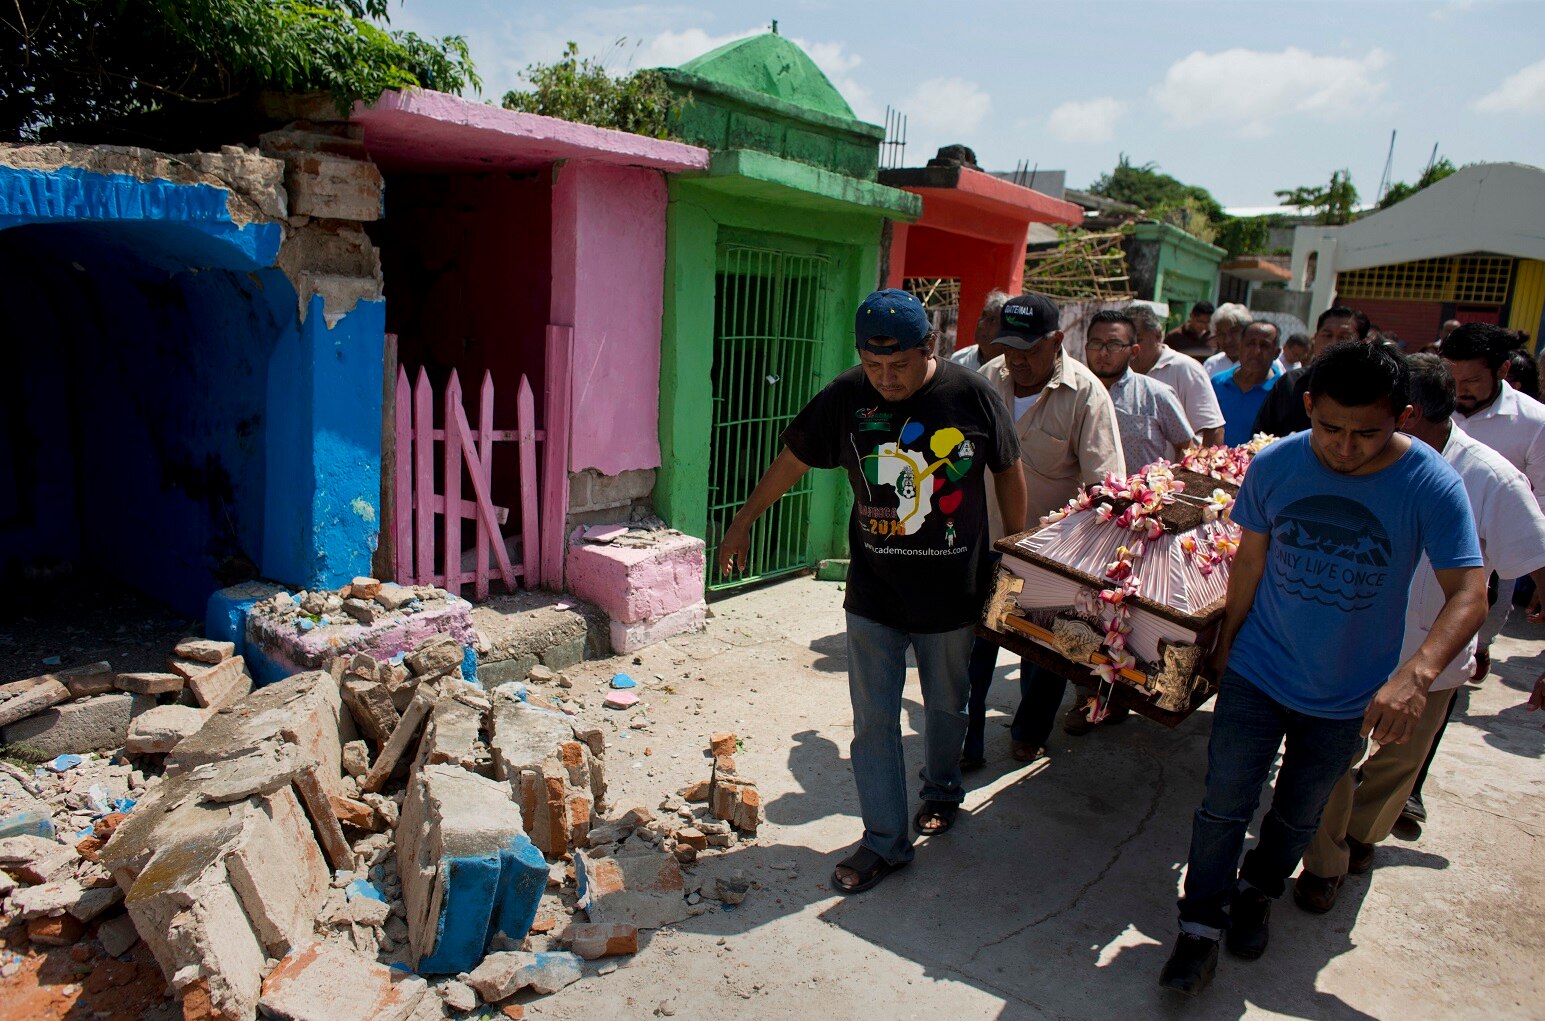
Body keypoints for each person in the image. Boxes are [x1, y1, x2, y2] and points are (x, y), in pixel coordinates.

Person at [1158, 341, 1486, 997]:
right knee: (1223, 803)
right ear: (1307, 406)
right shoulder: (1277, 462)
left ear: (1401, 413)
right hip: (1258, 670)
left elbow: (1470, 591)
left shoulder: (1429, 483)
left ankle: (1256, 889)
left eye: (1366, 432)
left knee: (1299, 815)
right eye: (1328, 427)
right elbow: (1248, 560)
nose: (1343, 447)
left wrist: (1416, 672)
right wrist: (1227, 645)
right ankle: (1197, 927)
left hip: (1345, 693)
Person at [717, 288, 1028, 895]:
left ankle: (941, 789)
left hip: (952, 595)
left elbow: (1008, 469)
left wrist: (1016, 550)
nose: (885, 379)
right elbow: (793, 459)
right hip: (875, 596)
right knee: (874, 722)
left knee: (945, 710)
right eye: (873, 365)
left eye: (899, 365)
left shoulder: (971, 394)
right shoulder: (846, 394)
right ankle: (885, 841)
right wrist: (742, 520)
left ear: (928, 347)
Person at [1294, 354, 1545, 911]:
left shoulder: (1490, 478)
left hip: (1430, 658)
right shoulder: (1340, 458)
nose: (1355, 443)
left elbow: (1534, 563)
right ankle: (1324, 862)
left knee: (1396, 766)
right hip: (1342, 650)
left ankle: (1361, 838)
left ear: (1410, 417)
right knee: (1329, 761)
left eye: (1381, 425)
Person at [961, 293, 1125, 766]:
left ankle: (1030, 731)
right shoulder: (987, 382)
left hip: (1051, 553)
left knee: (1044, 654)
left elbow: (1104, 484)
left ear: (1056, 341)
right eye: (1007, 347)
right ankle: (966, 744)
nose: (1016, 360)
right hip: (985, 540)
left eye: (1028, 350)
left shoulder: (1087, 395)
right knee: (971, 653)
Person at [1085, 309, 1195, 475]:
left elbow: (1188, 449)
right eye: (1096, 343)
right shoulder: (1074, 393)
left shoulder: (1157, 395)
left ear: (1134, 351)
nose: (1103, 352)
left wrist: (1166, 487)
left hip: (1141, 499)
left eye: (1114, 345)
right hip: (1082, 499)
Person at [1252, 306, 1369, 438]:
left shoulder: (1371, 392)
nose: (1333, 343)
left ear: (1362, 344)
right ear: (1315, 338)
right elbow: (1261, 437)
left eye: (1344, 337)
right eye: (1327, 335)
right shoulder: (1290, 384)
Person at [1130, 304, 1226, 448]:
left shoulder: (1186, 369)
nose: (1131, 347)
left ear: (1157, 335)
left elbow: (1213, 429)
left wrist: (1201, 468)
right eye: (1124, 341)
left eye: (1138, 339)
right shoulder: (1118, 372)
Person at [1211, 321, 1281, 445]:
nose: (1256, 351)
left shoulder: (1282, 391)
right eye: (1250, 344)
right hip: (1218, 463)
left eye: (1264, 345)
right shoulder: (1218, 384)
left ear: (1276, 353)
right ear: (1240, 347)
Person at [949, 290, 1010, 372]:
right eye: (983, 316)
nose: (981, 323)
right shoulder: (959, 360)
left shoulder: (1013, 366)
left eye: (993, 320)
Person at [1202, 303, 1253, 376]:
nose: (1227, 340)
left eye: (1234, 332)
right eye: (1221, 334)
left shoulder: (1259, 365)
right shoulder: (1211, 365)